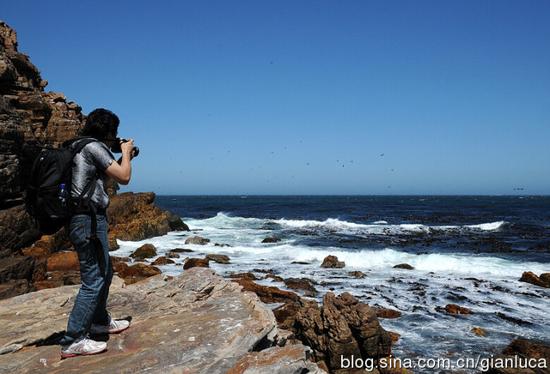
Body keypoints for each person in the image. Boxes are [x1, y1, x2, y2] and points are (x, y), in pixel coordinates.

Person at [59, 108, 135, 358]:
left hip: (86, 218)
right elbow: (123, 177)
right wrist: (125, 154)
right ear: (109, 131)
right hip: (87, 220)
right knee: (93, 280)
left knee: (106, 272)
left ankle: (99, 321)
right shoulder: (93, 147)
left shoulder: (77, 145)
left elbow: (99, 182)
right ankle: (73, 339)